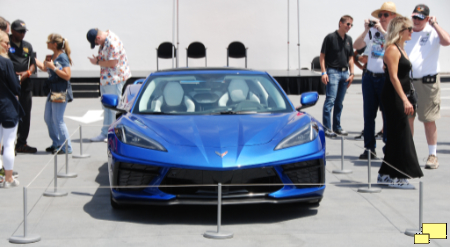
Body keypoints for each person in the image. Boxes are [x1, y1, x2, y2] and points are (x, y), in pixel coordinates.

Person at [378, 16, 423, 188]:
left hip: (400, 95)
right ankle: (396, 176)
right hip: (394, 97)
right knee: (400, 134)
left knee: (398, 134)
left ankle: (385, 174)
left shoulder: (401, 48)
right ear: (400, 31)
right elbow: (394, 77)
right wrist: (405, 99)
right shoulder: (392, 49)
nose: (412, 31)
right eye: (409, 29)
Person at [404, 4, 450, 169]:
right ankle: (409, 154)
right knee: (408, 118)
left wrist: (435, 24)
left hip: (427, 83)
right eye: (414, 17)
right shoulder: (406, 33)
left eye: (420, 18)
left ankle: (433, 155)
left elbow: (447, 41)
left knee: (428, 120)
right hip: (408, 82)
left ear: (427, 18)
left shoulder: (432, 32)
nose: (416, 20)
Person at [353, 2, 399, 159]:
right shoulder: (372, 31)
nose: (382, 18)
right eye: (380, 15)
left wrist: (382, 30)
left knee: (387, 114)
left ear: (393, 16)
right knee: (369, 114)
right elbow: (357, 45)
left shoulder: (395, 31)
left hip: (385, 78)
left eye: (385, 15)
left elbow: (396, 45)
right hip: (370, 77)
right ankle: (369, 148)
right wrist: (366, 30)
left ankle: (388, 147)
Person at [86, 28, 131, 142]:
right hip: (107, 78)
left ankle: (113, 133)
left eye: (96, 43)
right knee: (106, 106)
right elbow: (107, 58)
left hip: (115, 78)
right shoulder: (105, 41)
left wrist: (96, 62)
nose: (97, 45)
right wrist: (99, 59)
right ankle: (105, 133)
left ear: (98, 38)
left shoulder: (112, 42)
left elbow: (112, 62)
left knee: (112, 107)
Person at [35, 34, 74, 154]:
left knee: (58, 119)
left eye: (49, 42)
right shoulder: (51, 56)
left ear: (54, 44)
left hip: (60, 91)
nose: (47, 43)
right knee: (48, 118)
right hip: (53, 91)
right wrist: (33, 59)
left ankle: (66, 147)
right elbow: (45, 68)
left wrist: (54, 68)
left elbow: (67, 75)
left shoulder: (62, 57)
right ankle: (56, 143)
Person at [320, 15, 355, 138]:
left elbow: (351, 58)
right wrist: (324, 72)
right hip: (333, 72)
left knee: (339, 102)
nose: (349, 27)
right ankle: (326, 128)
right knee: (330, 100)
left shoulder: (349, 39)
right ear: (340, 23)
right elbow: (322, 56)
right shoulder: (330, 38)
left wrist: (352, 73)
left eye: (351, 25)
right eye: (347, 24)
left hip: (345, 73)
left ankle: (337, 127)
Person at [8, 20, 37, 153]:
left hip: (25, 85)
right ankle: (7, 145)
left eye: (24, 31)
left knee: (25, 114)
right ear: (12, 31)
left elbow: (33, 63)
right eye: (20, 31)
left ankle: (22, 143)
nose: (22, 34)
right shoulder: (6, 42)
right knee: (9, 114)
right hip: (8, 84)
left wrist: (28, 72)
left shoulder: (27, 46)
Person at [0, 30, 23, 187]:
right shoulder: (6, 63)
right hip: (7, 106)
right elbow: (15, 87)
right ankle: (8, 178)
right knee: (8, 143)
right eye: (5, 43)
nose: (9, 46)